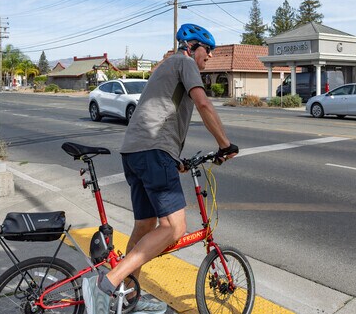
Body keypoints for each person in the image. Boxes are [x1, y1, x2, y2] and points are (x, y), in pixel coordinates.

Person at [82, 23, 239, 314]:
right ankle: (107, 283)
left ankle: (126, 296)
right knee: (174, 227)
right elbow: (203, 103)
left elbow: (160, 112)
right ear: (192, 47)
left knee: (144, 226)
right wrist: (225, 144)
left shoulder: (164, 67)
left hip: (134, 151)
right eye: (208, 50)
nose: (210, 57)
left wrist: (174, 158)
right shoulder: (185, 62)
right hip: (154, 151)